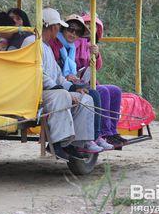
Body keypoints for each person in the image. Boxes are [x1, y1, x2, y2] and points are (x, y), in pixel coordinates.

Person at [22, 8, 102, 160]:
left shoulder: (46, 46)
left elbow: (58, 75)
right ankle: (58, 143)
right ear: (53, 27)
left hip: (50, 90)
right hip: (35, 92)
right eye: (58, 26)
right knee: (62, 96)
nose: (59, 29)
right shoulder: (32, 42)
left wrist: (75, 88)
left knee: (86, 99)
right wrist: (62, 89)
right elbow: (37, 74)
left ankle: (75, 144)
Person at [48, 14, 113, 150]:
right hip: (58, 84)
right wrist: (68, 79)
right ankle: (92, 137)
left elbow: (95, 66)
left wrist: (96, 55)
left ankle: (105, 134)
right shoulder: (55, 44)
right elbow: (54, 69)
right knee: (94, 94)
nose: (73, 33)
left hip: (72, 80)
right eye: (70, 29)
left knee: (104, 92)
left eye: (77, 31)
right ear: (61, 29)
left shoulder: (73, 46)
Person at [82, 14, 126, 146]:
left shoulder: (92, 44)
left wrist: (97, 54)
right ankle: (104, 133)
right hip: (82, 82)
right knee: (103, 91)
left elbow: (98, 66)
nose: (90, 28)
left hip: (91, 80)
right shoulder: (79, 42)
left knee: (115, 90)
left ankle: (112, 130)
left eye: (93, 26)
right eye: (87, 24)